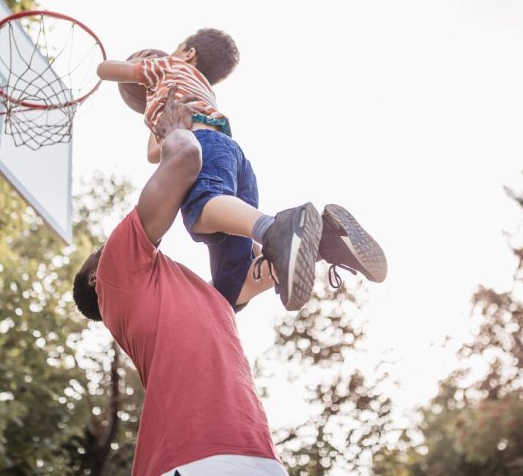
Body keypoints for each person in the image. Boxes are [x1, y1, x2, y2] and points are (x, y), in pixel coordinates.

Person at [73, 87, 288, 475]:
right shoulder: (113, 276)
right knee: (202, 209)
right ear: (94, 279)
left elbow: (263, 274)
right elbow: (187, 158)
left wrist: (314, 243)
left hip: (256, 455)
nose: (110, 241)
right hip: (190, 458)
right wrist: (172, 130)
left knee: (240, 273)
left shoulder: (203, 296)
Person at [97, 33, 386, 313]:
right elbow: (153, 152)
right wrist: (153, 106)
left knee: (201, 208)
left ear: (188, 53)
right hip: (231, 157)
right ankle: (327, 241)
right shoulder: (197, 88)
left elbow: (105, 69)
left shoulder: (166, 66)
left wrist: (137, 72)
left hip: (204, 146)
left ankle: (274, 228)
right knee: (229, 290)